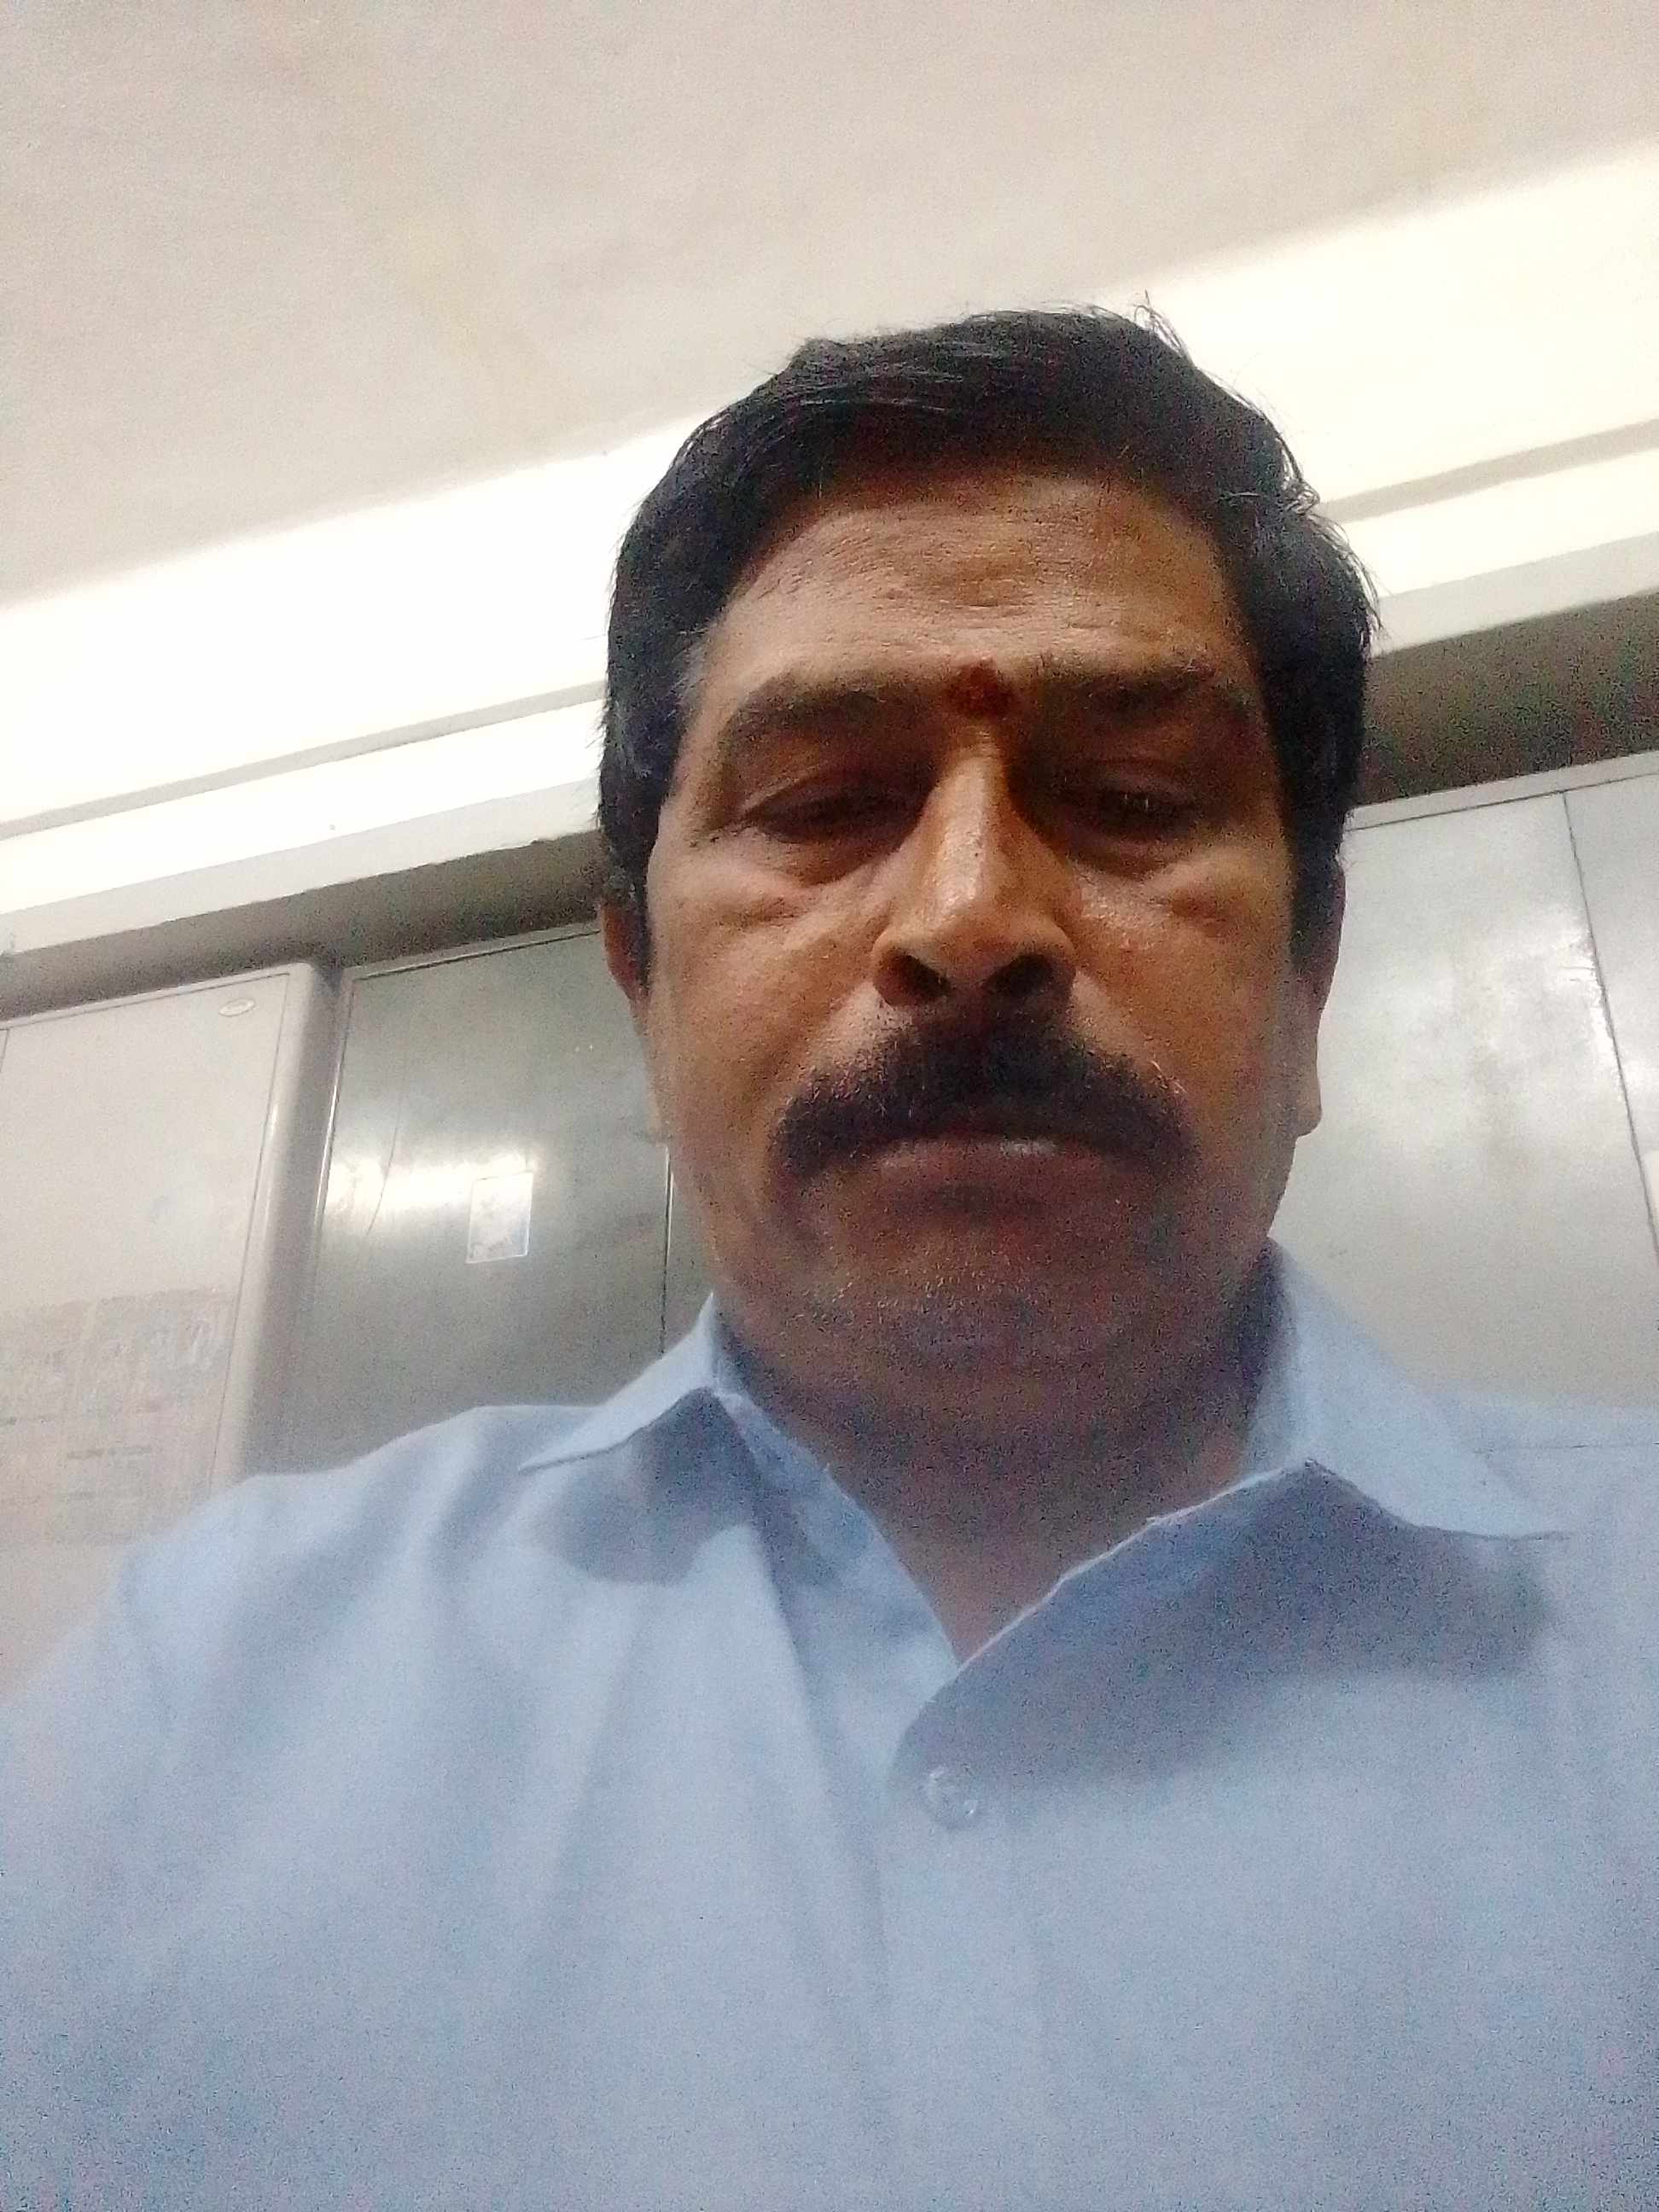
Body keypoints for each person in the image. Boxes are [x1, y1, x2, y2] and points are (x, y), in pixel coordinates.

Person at [3, 308, 1656, 2210]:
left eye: (1132, 802)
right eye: (819, 808)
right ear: (641, 985)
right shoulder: (204, 1707)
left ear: (1309, 985)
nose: (972, 918)